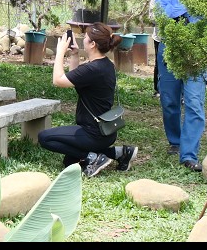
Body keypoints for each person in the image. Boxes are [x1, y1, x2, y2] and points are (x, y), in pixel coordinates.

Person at [39, 23, 137, 178]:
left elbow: (58, 81)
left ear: (92, 44)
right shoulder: (104, 65)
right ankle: (120, 153)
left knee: (45, 138)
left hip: (93, 134)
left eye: (85, 37)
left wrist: (59, 53)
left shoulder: (93, 69)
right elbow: (75, 79)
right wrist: (74, 55)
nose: (83, 38)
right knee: (70, 161)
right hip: (106, 130)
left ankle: (95, 158)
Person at [151, 0, 207, 171]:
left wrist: (179, 13)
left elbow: (203, 18)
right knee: (169, 99)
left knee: (194, 101)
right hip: (169, 46)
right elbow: (162, 12)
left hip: (197, 49)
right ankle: (175, 141)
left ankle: (189, 155)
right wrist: (187, 11)